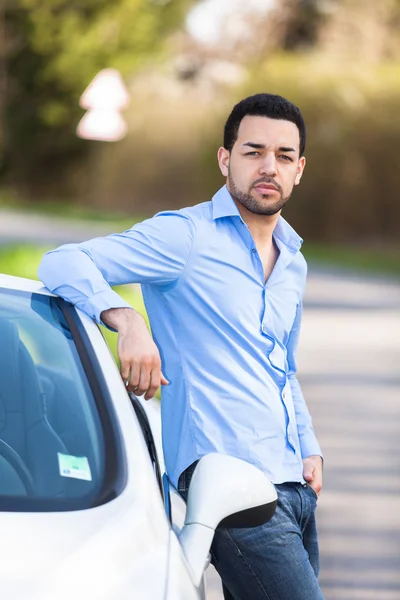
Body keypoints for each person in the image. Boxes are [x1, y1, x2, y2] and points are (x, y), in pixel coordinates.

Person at [38, 93, 324, 600]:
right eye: (253, 151)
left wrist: (308, 446)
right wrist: (126, 319)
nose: (268, 167)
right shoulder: (185, 237)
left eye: (283, 156)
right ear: (225, 159)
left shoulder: (293, 260)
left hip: (294, 490)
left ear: (299, 170)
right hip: (228, 485)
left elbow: (282, 367)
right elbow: (64, 261)